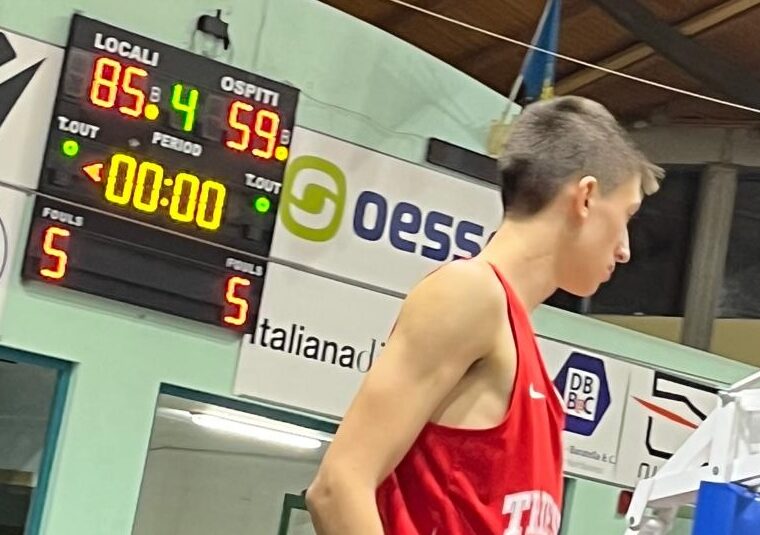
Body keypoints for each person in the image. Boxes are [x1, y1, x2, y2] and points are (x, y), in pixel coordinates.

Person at [305, 96, 663, 535]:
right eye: (626, 216)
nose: (625, 249)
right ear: (586, 197)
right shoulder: (469, 292)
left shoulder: (520, 345)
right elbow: (337, 487)